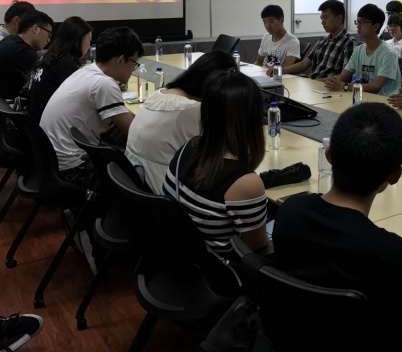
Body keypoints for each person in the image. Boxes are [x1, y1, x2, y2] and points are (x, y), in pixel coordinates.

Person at [273, 103, 402, 352]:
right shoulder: (387, 252)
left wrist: (398, 265)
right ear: (395, 176)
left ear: (329, 154)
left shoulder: (291, 211)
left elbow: (332, 258)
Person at [163, 69, 268, 257]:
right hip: (222, 270)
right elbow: (256, 248)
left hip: (182, 258)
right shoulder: (245, 183)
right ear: (253, 119)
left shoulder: (187, 147)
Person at [41, 26, 143, 189]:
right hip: (72, 169)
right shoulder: (104, 84)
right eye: (134, 63)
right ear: (120, 60)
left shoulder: (87, 71)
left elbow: (123, 115)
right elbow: (136, 133)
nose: (133, 69)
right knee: (140, 169)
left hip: (50, 163)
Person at [126, 50, 237, 194]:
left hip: (139, 188)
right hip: (168, 193)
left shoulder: (159, 94)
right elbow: (222, 157)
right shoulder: (193, 109)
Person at [324, 4, 401, 96]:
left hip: (384, 100)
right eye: (358, 21)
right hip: (361, 97)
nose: (358, 26)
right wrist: (333, 82)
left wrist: (344, 86)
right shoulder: (359, 50)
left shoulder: (388, 53)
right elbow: (342, 77)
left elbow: (376, 87)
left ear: (376, 26)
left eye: (363, 22)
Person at [26, 16, 92, 121]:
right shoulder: (65, 63)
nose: (89, 46)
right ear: (80, 39)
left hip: (35, 120)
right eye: (89, 40)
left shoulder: (50, 56)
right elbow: (82, 98)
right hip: (47, 124)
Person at [0, 9, 54, 100]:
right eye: (49, 34)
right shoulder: (23, 51)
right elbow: (47, 79)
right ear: (35, 29)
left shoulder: (10, 40)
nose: (49, 40)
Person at [279, 0, 356, 80]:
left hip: (327, 86)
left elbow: (345, 77)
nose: (322, 22)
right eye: (321, 18)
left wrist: (316, 82)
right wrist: (280, 70)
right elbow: (304, 64)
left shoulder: (349, 43)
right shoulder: (323, 41)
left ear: (339, 18)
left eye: (325, 18)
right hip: (313, 82)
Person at [254, 4, 300, 70]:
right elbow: (258, 62)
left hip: (278, 75)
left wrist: (273, 71)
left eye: (271, 22)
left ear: (281, 20)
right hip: (263, 73)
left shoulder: (292, 41)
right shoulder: (266, 37)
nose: (267, 26)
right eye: (264, 22)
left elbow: (288, 67)